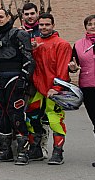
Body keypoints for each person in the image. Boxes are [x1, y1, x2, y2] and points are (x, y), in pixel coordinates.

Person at [0, 8, 34, 165]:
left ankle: (23, 152)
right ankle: (5, 151)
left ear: (8, 17)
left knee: (16, 114)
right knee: (0, 115)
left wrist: (24, 78)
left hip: (14, 77)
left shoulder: (19, 34)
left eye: (2, 16)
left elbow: (28, 58)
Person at [26, 13, 72, 165]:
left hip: (54, 90)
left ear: (53, 25)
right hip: (38, 89)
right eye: (41, 25)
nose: (44, 27)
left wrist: (57, 87)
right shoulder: (35, 43)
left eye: (47, 24)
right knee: (31, 119)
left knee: (55, 121)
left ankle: (58, 153)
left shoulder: (62, 44)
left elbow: (62, 69)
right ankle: (36, 150)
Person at [70, 14, 95, 167]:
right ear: (85, 27)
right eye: (89, 24)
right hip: (88, 88)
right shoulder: (79, 44)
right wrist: (72, 68)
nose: (93, 26)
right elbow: (74, 65)